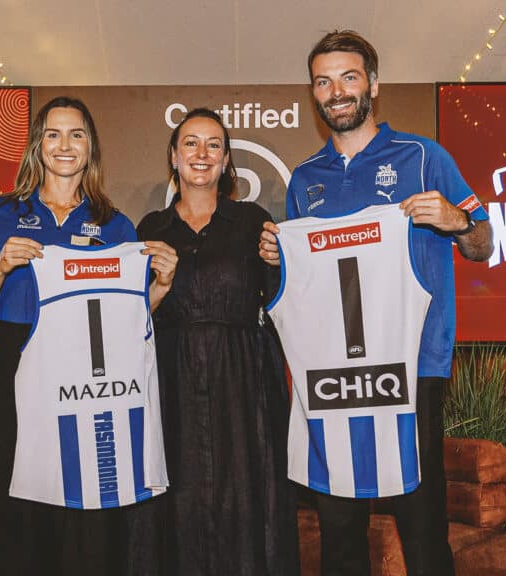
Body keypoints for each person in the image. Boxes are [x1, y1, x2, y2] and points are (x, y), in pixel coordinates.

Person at [259, 31, 493, 576]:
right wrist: (278, 257)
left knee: (421, 523)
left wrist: (457, 220)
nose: (336, 91)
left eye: (348, 77)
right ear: (313, 93)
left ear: (373, 84)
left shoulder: (423, 156)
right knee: (339, 525)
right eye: (323, 82)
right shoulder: (305, 180)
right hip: (333, 370)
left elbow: (483, 245)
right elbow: (306, 285)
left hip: (412, 365)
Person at [0, 96, 177, 576]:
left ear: (89, 147)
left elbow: (126, 323)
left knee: (87, 515)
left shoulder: (115, 225)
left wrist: (160, 287)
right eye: (53, 134)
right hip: (18, 364)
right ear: (38, 145)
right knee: (14, 511)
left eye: (76, 134)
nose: (64, 145)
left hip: (87, 378)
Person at [136, 108, 299, 576]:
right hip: (171, 380)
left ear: (227, 160)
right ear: (173, 155)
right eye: (190, 143)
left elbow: (282, 300)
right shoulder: (149, 230)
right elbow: (130, 316)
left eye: (213, 145)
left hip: (244, 382)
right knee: (179, 491)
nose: (201, 153)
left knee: (246, 493)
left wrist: (282, 261)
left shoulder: (252, 221)